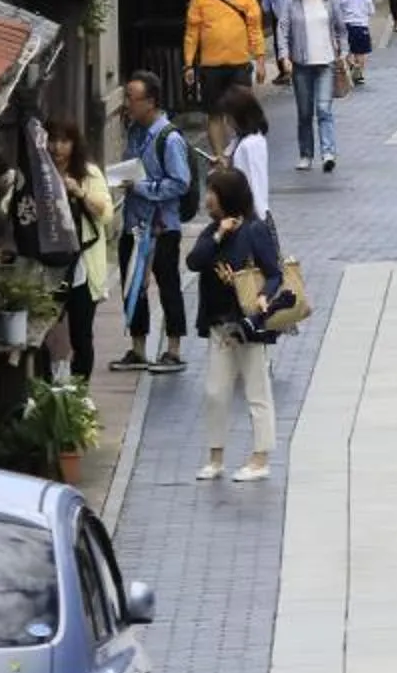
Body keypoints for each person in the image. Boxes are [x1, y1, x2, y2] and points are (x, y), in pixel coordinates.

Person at [185, 168, 284, 484]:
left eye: (212, 192)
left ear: (228, 196)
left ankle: (260, 457)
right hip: (219, 324)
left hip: (248, 324)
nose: (207, 199)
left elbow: (274, 272)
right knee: (215, 391)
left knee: (257, 389)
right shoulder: (212, 232)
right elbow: (194, 262)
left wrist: (263, 297)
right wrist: (218, 234)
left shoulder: (255, 230)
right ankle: (216, 457)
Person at [113, 74, 194, 375]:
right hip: (133, 222)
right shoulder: (134, 132)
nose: (127, 105)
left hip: (162, 226)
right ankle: (138, 348)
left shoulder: (168, 138)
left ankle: (173, 349)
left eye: (131, 99)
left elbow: (180, 182)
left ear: (150, 102)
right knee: (132, 283)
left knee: (167, 283)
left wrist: (142, 187)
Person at [48, 120, 115, 382]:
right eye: (53, 140)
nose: (57, 147)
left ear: (75, 144)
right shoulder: (39, 173)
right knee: (43, 333)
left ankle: (79, 392)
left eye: (64, 141)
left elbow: (106, 214)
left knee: (81, 334)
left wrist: (79, 193)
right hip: (48, 263)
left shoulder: (88, 173)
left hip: (81, 266)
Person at [275, 0, 346, 175]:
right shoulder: (291, 2)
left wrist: (343, 53)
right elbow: (282, 30)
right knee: (305, 112)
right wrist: (285, 56)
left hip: (326, 62)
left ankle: (328, 153)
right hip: (302, 64)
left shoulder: (329, 0)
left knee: (323, 109)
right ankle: (306, 154)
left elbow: (341, 29)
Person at [182, 0, 264, 111]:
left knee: (242, 111)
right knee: (215, 114)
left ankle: (241, 136)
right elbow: (192, 34)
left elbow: (255, 30)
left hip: (239, 63)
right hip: (211, 65)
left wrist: (260, 60)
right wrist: (188, 64)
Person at [214, 84, 274, 234]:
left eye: (228, 117)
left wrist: (255, 220)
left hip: (251, 218)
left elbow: (254, 181)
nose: (226, 123)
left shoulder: (251, 144)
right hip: (245, 216)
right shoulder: (241, 140)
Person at [335, 0, 377, 86]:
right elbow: (371, 10)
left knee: (347, 50)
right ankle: (359, 70)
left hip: (346, 26)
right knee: (361, 52)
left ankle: (351, 65)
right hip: (361, 26)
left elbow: (336, 9)